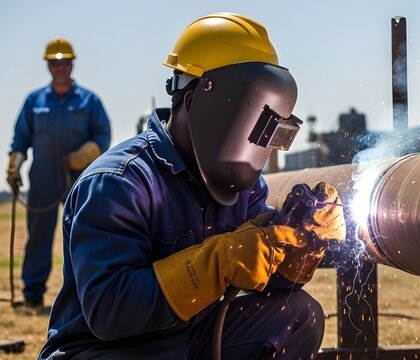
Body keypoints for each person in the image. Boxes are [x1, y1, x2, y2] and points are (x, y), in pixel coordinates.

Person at [39, 12, 345, 360]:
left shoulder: (242, 186)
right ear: (197, 102)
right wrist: (218, 263)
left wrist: (295, 248)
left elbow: (257, 267)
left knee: (296, 316)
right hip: (106, 351)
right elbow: (111, 312)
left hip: (189, 339)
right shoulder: (119, 183)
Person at [6, 36, 111, 309]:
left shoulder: (89, 101)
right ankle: (32, 294)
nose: (60, 67)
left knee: (80, 235)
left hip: (79, 180)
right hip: (42, 179)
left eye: (64, 63)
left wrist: (85, 155)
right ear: (49, 66)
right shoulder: (34, 101)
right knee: (38, 235)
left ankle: (81, 295)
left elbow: (103, 136)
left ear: (72, 65)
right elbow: (20, 139)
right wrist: (15, 164)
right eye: (55, 63)